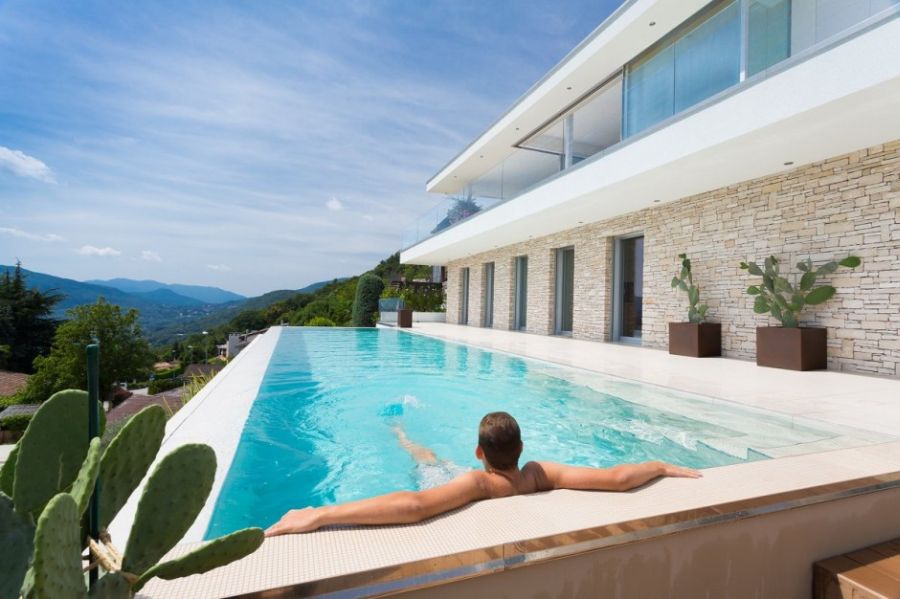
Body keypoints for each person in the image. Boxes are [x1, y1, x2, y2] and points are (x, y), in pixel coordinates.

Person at [265, 411, 701, 537]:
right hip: (479, 474)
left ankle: (398, 430)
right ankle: (402, 431)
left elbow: (414, 507)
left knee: (426, 459)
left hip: (448, 482)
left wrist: (322, 515)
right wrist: (660, 466)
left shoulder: (476, 482)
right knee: (431, 456)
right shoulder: (537, 473)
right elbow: (618, 479)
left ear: (479, 452)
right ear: (521, 448)